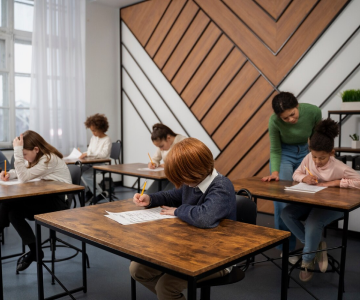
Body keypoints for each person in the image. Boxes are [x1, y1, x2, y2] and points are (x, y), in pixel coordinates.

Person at [130, 138, 236, 300]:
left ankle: (169, 294)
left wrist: (179, 210)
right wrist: (150, 199)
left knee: (166, 287)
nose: (180, 183)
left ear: (195, 171)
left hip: (218, 256)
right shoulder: (192, 183)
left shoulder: (221, 186)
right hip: (189, 247)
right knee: (137, 269)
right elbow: (171, 195)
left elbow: (205, 217)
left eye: (182, 177)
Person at [281, 118, 360, 282]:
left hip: (332, 207)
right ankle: (315, 246)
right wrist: (304, 178)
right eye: (314, 156)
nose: (316, 161)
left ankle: (307, 261)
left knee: (312, 223)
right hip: (311, 202)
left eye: (322, 158)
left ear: (332, 152)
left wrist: (337, 182)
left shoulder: (339, 167)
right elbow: (296, 174)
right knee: (286, 214)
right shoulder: (308, 158)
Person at [0, 130, 72, 272]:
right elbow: (25, 171)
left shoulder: (48, 159)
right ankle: (35, 251)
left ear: (36, 149)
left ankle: (1, 227)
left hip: (59, 201)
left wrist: (17, 152)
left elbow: (24, 177)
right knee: (14, 213)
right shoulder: (38, 158)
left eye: (25, 154)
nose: (24, 158)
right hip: (45, 196)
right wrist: (9, 173)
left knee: (8, 203)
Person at [261, 92, 322, 258]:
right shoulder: (274, 121)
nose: (290, 120)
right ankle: (287, 248)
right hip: (284, 155)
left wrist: (318, 160)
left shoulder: (313, 112)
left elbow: (317, 139)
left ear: (297, 106)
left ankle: (312, 239)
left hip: (305, 152)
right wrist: (275, 173)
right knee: (281, 199)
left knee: (311, 192)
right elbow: (275, 149)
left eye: (292, 115)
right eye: (285, 118)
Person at [146, 123, 187, 193]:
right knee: (148, 194)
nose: (160, 149)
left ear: (168, 138)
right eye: (159, 147)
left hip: (180, 178)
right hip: (168, 176)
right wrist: (153, 163)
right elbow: (155, 158)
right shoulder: (162, 146)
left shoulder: (183, 142)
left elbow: (185, 163)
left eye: (161, 146)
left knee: (165, 196)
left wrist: (168, 165)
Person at [80, 113, 112, 204]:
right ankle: (90, 190)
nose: (93, 133)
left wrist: (88, 154)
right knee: (78, 172)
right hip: (91, 162)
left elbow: (103, 155)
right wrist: (84, 154)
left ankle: (99, 193)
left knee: (86, 175)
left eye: (94, 130)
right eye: (92, 131)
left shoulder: (107, 139)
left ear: (101, 128)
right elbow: (90, 151)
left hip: (103, 163)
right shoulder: (93, 138)